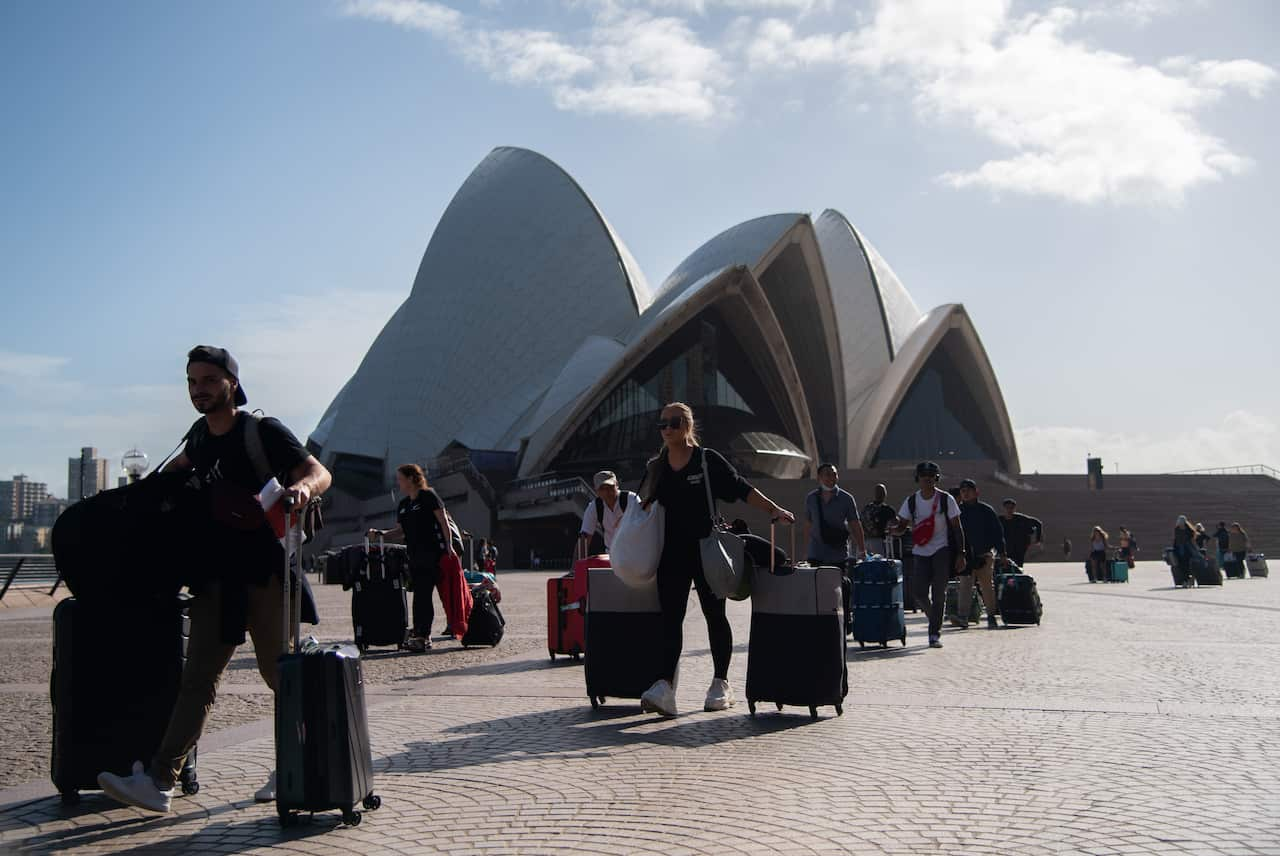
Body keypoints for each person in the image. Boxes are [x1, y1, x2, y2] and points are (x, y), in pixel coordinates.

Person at [97, 345, 332, 813]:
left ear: (231, 383)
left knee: (279, 675)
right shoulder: (199, 439)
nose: (198, 389)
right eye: (191, 382)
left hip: (265, 572)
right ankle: (160, 781)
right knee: (197, 679)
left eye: (208, 380)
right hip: (215, 577)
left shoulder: (260, 430)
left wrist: (302, 489)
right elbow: (170, 478)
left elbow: (318, 470)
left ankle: (297, 765)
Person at [637, 402, 794, 717]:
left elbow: (741, 489)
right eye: (663, 424)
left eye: (675, 422)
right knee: (670, 619)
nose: (668, 429)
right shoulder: (657, 466)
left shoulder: (707, 461)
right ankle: (665, 687)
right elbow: (642, 508)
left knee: (714, 615)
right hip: (671, 553)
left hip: (706, 549)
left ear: (688, 425)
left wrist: (774, 509)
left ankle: (721, 683)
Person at [368, 464, 457, 652]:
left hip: (432, 554)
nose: (397, 482)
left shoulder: (428, 496)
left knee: (423, 594)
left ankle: (422, 635)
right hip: (413, 556)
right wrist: (381, 534)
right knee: (419, 595)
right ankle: (421, 633)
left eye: (400, 478)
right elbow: (400, 532)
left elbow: (443, 521)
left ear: (411, 479)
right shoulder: (404, 505)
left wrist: (449, 545)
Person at [892, 461, 966, 649]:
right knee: (919, 592)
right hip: (920, 552)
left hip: (942, 550)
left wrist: (961, 554)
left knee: (939, 592)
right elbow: (902, 525)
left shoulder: (945, 499)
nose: (927, 480)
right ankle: (936, 618)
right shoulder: (911, 501)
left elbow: (957, 528)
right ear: (918, 479)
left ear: (936, 478)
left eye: (931, 477)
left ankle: (934, 633)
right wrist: (894, 529)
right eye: (924, 476)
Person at [956, 479, 1004, 630]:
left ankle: (991, 616)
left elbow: (997, 533)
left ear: (976, 492)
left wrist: (1002, 553)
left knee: (986, 587)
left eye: (968, 490)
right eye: (963, 491)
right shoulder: (957, 512)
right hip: (965, 557)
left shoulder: (986, 510)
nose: (965, 493)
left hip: (984, 556)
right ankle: (963, 617)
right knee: (965, 586)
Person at [803, 464, 866, 566]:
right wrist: (806, 551)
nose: (832, 478)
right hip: (816, 553)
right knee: (816, 581)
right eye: (828, 475)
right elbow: (808, 524)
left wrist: (862, 550)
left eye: (834, 474)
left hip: (838, 554)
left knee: (837, 581)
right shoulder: (811, 498)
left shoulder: (846, 498)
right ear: (819, 478)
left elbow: (855, 524)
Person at [578, 470, 640, 557]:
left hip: (635, 552)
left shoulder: (631, 499)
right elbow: (585, 536)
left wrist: (625, 520)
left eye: (610, 487)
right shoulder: (594, 507)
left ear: (617, 485)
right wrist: (575, 567)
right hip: (612, 554)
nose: (607, 492)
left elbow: (642, 525)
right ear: (596, 491)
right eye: (602, 489)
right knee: (595, 559)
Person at [999, 499, 1043, 567]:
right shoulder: (999, 520)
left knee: (1018, 564)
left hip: (1019, 547)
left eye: (1011, 508)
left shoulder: (1021, 519)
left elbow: (1038, 523)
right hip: (1005, 546)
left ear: (1015, 508)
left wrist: (1038, 540)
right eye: (1007, 508)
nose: (1009, 510)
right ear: (1003, 508)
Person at [860, 484, 897, 557]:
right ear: (885, 494)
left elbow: (860, 523)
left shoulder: (866, 508)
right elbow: (895, 523)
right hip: (879, 542)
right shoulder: (887, 509)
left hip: (865, 541)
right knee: (879, 564)